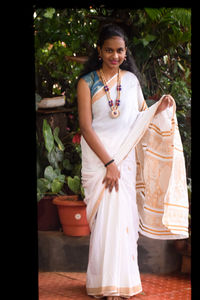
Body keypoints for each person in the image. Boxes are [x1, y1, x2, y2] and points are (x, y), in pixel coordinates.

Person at [77, 24, 189, 300]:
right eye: (109, 50)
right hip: (99, 161)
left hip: (125, 161)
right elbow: (86, 128)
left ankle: (123, 284)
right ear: (100, 51)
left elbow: (141, 120)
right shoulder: (87, 82)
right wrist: (109, 163)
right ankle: (102, 283)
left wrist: (158, 109)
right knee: (105, 222)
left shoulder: (131, 81)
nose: (114, 55)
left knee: (123, 221)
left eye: (120, 50)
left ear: (126, 52)